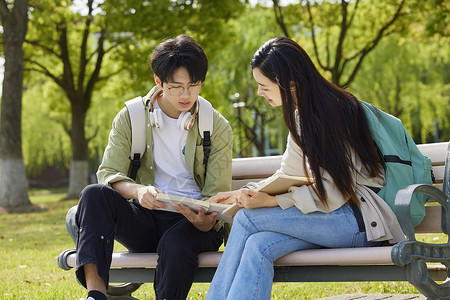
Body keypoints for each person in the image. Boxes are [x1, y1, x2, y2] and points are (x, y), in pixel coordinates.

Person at [205, 37, 405, 300]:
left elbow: (333, 193)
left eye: (263, 86)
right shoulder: (302, 115)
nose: (259, 93)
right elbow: (288, 173)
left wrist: (272, 201)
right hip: (330, 220)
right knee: (258, 245)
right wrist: (245, 193)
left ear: (290, 85)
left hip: (359, 221)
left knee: (247, 218)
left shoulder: (334, 112)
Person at [67, 34, 233, 300]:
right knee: (93, 194)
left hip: (194, 226)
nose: (186, 95)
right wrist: (139, 191)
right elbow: (108, 174)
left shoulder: (216, 126)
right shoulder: (132, 117)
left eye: (194, 85)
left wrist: (204, 220)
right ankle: (96, 296)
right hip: (146, 218)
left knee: (176, 241)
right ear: (158, 81)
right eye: (176, 86)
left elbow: (216, 195)